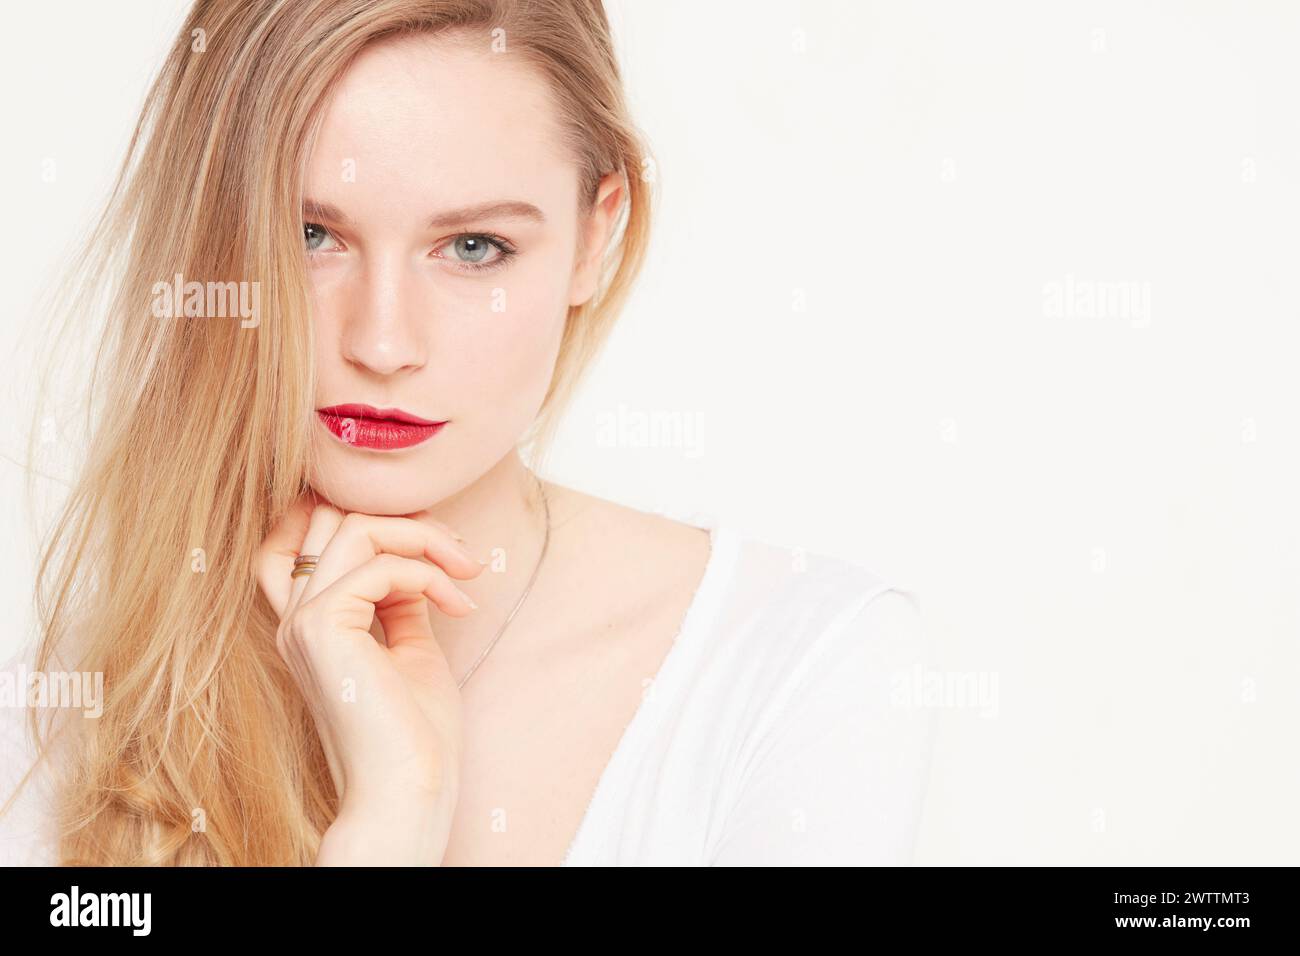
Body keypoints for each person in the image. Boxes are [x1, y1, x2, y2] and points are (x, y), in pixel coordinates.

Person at [0, 0, 936, 866]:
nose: (382, 341)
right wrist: (391, 820)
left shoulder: (796, 673)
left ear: (596, 236)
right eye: (308, 235)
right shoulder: (60, 723)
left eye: (474, 247)